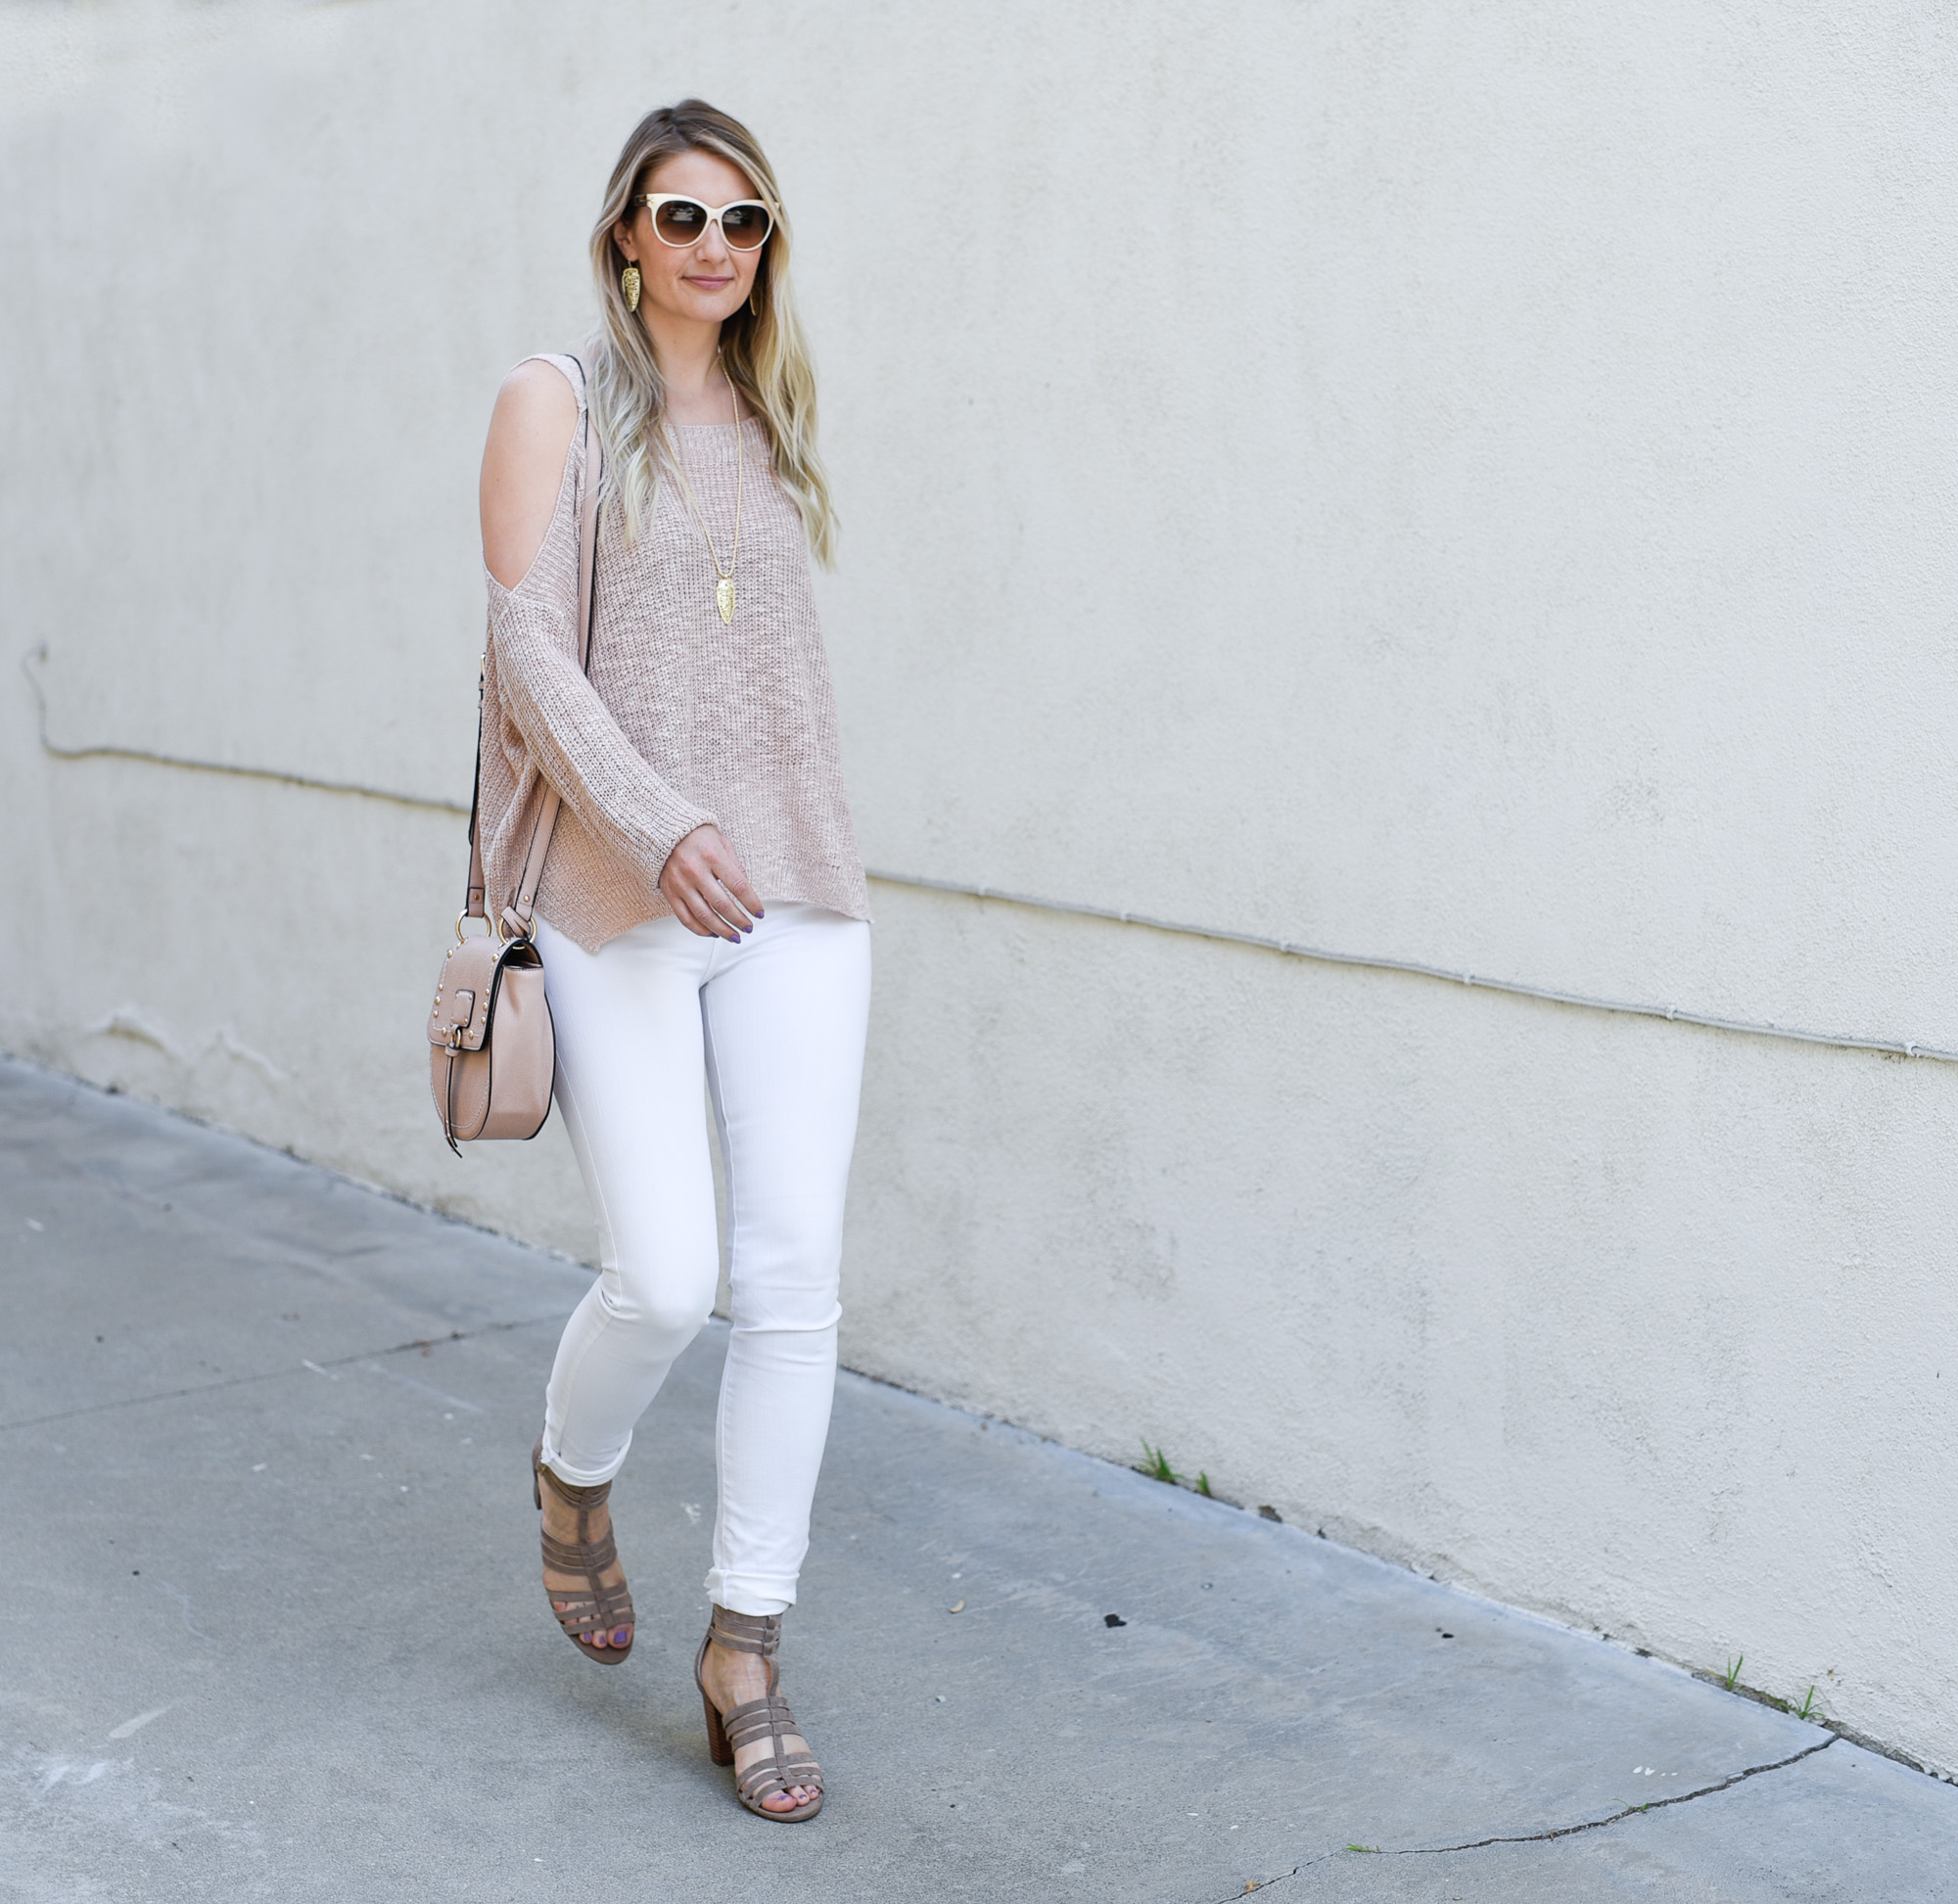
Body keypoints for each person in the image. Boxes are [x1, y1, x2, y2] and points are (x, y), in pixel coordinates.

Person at [474, 99, 870, 1823]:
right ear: (627, 232)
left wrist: (770, 849)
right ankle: (575, 1474)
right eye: (682, 213)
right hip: (621, 894)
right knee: (667, 1278)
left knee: (794, 1285)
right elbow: (525, 661)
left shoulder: (778, 420)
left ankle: (747, 1646)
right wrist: (661, 827)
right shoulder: (550, 398)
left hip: (797, 897)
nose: (716, 245)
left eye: (746, 221)